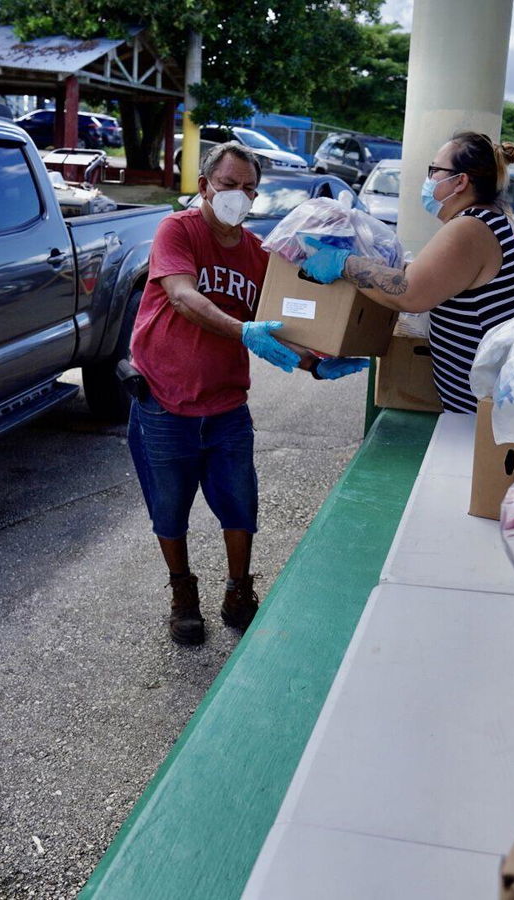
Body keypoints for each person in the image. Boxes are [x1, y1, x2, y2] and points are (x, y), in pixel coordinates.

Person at [128, 141, 368, 646]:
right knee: (169, 508)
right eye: (229, 184)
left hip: (226, 405)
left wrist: (317, 361)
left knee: (240, 504)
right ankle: (183, 593)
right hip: (165, 401)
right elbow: (182, 294)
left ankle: (239, 589)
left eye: (249, 188)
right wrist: (242, 332)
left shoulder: (260, 254)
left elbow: (282, 322)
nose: (239, 195)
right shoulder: (179, 230)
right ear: (205, 187)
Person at [299, 131, 514, 413]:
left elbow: (409, 293)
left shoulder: (471, 228)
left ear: (460, 181)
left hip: (481, 415)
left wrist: (344, 263)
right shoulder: (487, 221)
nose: (429, 178)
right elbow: (424, 278)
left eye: (435, 170)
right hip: (484, 405)